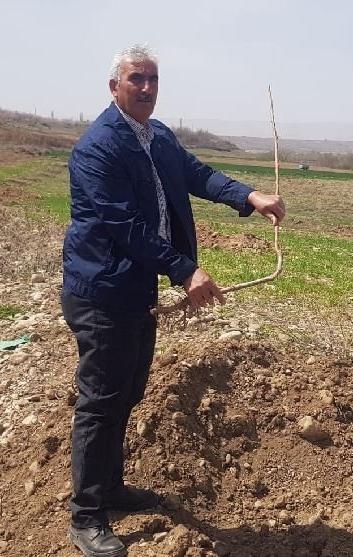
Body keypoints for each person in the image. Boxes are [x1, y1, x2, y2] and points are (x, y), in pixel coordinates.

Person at [61, 43, 285, 557]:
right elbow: (125, 226)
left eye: (153, 79)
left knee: (127, 393)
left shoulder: (157, 135)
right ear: (114, 87)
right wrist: (186, 270)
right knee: (101, 401)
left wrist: (249, 196)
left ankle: (111, 488)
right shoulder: (98, 148)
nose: (147, 88)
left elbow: (197, 173)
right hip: (102, 291)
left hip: (136, 288)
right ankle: (87, 515)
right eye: (136, 79)